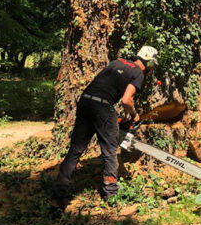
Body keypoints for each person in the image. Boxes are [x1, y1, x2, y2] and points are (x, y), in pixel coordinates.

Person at [50, 46, 158, 212]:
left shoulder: (117, 62)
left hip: (85, 101)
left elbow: (104, 86)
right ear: (150, 63)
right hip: (102, 106)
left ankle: (57, 198)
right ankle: (111, 196)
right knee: (109, 151)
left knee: (75, 150)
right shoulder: (138, 73)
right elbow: (126, 100)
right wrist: (135, 115)